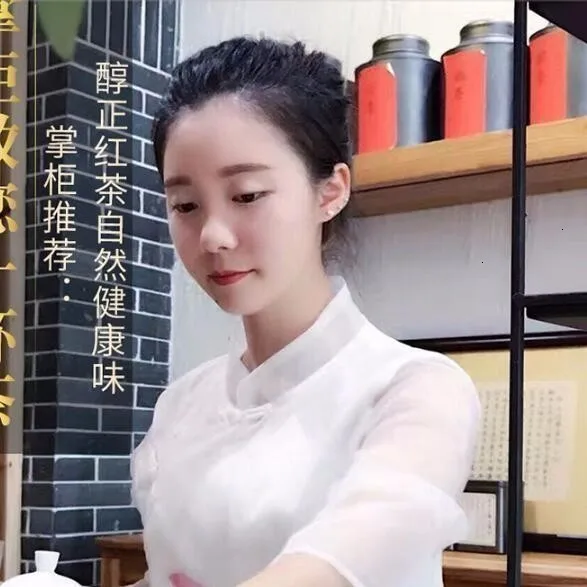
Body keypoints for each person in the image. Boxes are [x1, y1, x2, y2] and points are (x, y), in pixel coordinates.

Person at [130, 36, 481, 587]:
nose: (212, 235)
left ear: (330, 191)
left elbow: (339, 562)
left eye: (247, 195)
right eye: (186, 205)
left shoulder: (417, 389)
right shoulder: (180, 405)